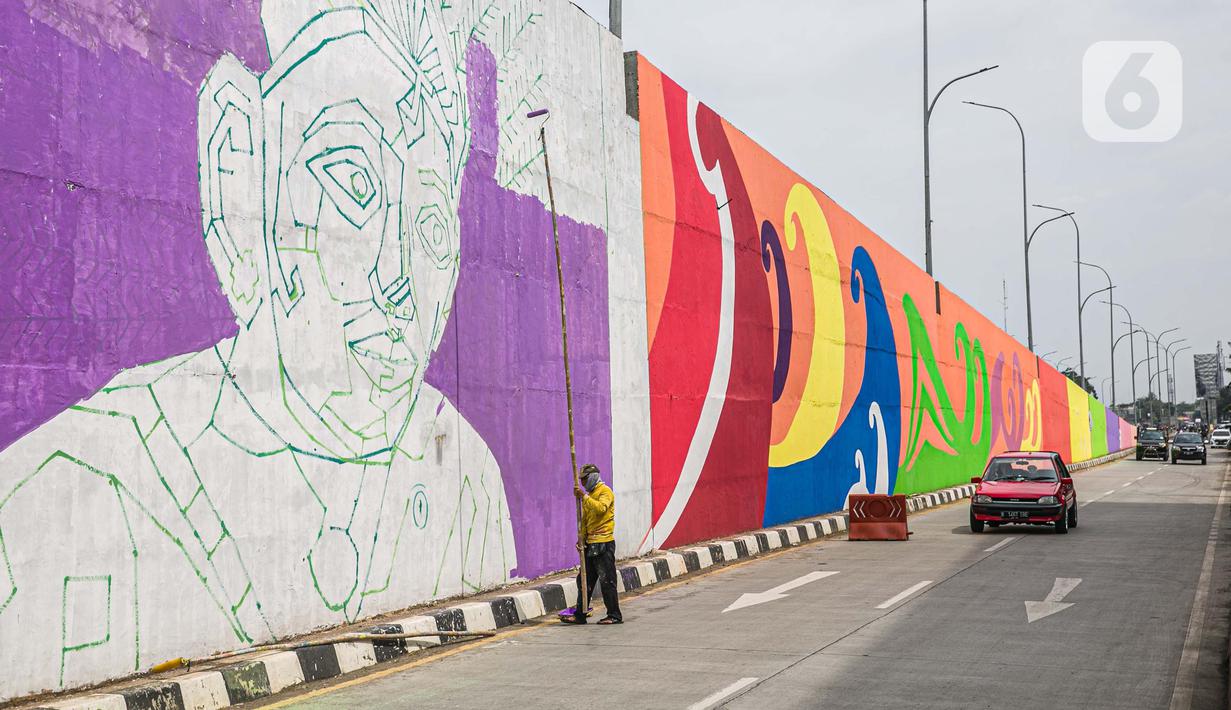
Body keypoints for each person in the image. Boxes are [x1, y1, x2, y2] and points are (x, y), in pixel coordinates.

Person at [561, 464, 622, 625]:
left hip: (603, 544)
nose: (582, 483)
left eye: (585, 479)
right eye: (581, 480)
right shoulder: (590, 495)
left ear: (593, 477)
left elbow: (601, 509)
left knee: (607, 581)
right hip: (590, 544)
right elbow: (586, 521)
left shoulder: (605, 492)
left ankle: (614, 615)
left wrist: (584, 497)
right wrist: (581, 538)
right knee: (584, 581)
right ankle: (581, 614)